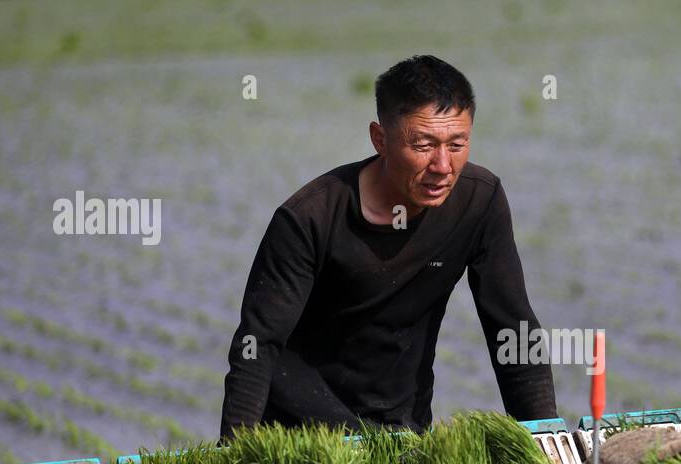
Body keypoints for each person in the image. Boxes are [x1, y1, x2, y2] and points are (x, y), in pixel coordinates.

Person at [220, 55, 558, 440]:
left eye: (457, 144)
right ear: (380, 139)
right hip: (299, 436)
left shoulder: (479, 203)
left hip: (402, 429)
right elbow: (256, 344)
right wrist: (235, 456)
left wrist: (545, 438)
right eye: (424, 144)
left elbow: (511, 330)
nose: (442, 165)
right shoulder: (309, 219)